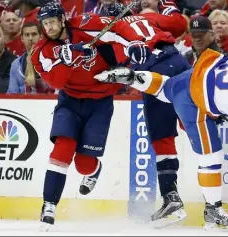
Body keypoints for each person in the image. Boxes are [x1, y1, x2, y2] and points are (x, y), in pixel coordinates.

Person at [95, 53, 228, 231]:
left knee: (167, 88)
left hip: (197, 73)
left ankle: (132, 77)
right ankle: (213, 210)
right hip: (195, 102)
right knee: (211, 156)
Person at [30, 2, 150, 230]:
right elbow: (56, 82)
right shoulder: (41, 51)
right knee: (62, 150)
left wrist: (134, 43)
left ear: (62, 19)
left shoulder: (86, 24)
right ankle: (49, 204)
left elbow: (119, 27)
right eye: (45, 24)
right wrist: (65, 60)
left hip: (100, 102)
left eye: (52, 22)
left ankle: (94, 170)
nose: (49, 27)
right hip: (70, 102)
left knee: (84, 164)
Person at [100, 1, 191, 225]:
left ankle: (171, 198)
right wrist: (168, 5)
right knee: (195, 122)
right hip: (179, 64)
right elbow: (179, 25)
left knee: (163, 137)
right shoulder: (148, 18)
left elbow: (110, 66)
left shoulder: (110, 34)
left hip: (154, 75)